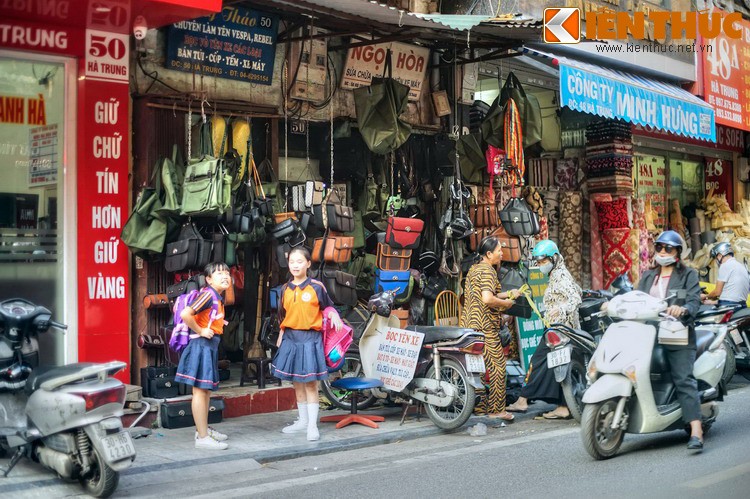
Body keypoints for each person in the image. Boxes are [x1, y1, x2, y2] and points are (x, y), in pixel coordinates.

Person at [637, 230, 704, 451]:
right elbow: (637, 299)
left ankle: (696, 430)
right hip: (648, 333)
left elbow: (694, 301)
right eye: (659, 247)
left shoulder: (688, 275)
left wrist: (682, 308)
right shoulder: (648, 275)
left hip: (677, 333)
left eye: (668, 248)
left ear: (677, 252)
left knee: (683, 377)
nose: (663, 251)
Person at [271, 247, 343, 441]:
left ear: (308, 264)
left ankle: (312, 425)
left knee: (311, 383)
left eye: (299, 261)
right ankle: (302, 421)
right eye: (292, 261)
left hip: (311, 338)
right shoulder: (284, 289)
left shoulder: (316, 286)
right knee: (296, 381)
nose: (295, 265)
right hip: (290, 338)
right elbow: (282, 316)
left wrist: (334, 315)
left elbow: (328, 306)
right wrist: (281, 333)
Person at [507, 240, 582, 419]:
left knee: (537, 361)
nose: (541, 266)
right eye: (538, 263)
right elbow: (578, 291)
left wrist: (560, 309)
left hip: (559, 330)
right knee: (557, 365)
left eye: (543, 262)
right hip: (559, 329)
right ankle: (563, 406)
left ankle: (523, 400)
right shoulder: (557, 274)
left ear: (554, 258)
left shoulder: (561, 276)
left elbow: (574, 298)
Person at [459, 236, 519, 422]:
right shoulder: (487, 271)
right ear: (488, 254)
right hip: (485, 327)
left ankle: (478, 407)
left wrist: (509, 293)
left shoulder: (475, 269)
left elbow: (487, 293)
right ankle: (496, 409)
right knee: (498, 367)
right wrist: (507, 304)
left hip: (469, 325)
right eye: (499, 250)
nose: (502, 253)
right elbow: (488, 299)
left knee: (475, 367)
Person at [175, 262, 232, 450]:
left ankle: (204, 429)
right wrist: (200, 330)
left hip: (208, 347)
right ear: (208, 279)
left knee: (205, 390)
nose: (225, 276)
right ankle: (202, 437)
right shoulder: (208, 294)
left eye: (226, 273)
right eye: (219, 274)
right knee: (200, 391)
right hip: (200, 346)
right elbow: (186, 314)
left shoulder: (217, 297)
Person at [702, 242, 749, 308]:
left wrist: (705, 296)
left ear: (720, 255)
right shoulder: (741, 266)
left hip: (728, 306)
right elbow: (732, 297)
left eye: (716, 258)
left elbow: (717, 292)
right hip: (742, 306)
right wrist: (711, 302)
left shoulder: (725, 266)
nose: (716, 260)